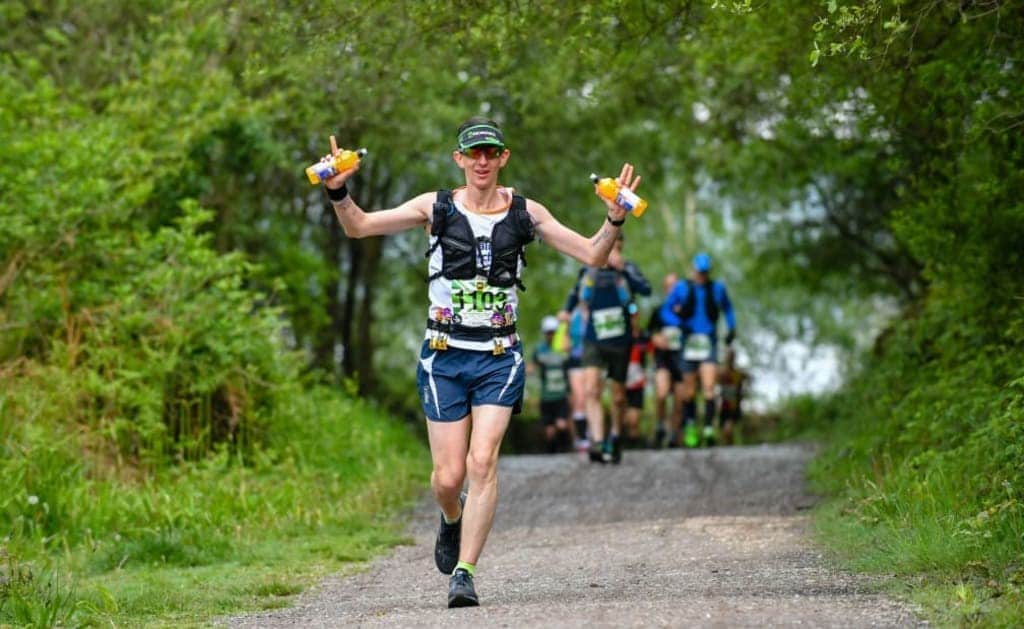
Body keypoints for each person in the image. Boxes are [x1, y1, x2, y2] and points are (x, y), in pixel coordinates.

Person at [318, 116, 642, 608]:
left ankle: (465, 573)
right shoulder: (436, 207)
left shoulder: (527, 213)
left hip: (498, 355)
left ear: (504, 157)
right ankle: (452, 516)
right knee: (448, 479)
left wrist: (614, 217)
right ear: (460, 160)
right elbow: (360, 227)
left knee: (482, 461)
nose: (483, 162)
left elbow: (594, 255)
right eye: (475, 154)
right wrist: (339, 193)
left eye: (491, 153)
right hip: (444, 357)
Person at [563, 233, 651, 464]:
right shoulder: (588, 270)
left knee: (619, 396)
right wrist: (565, 313)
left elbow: (646, 290)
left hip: (620, 341)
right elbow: (574, 295)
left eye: (617, 248)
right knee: (592, 389)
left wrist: (624, 270)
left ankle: (615, 436)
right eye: (609, 247)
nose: (612, 252)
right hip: (593, 338)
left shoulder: (627, 270)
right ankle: (598, 441)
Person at [665, 252, 736, 448]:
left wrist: (731, 328)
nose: (702, 276)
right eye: (699, 272)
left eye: (705, 273)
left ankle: (708, 428)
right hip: (688, 342)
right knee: (688, 390)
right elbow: (666, 310)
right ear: (694, 270)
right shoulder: (682, 288)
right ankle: (690, 427)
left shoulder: (717, 289)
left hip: (708, 342)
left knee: (709, 386)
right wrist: (679, 323)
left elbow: (728, 309)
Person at [647, 273, 686, 447]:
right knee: (662, 392)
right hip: (663, 358)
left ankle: (673, 433)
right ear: (665, 289)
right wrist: (655, 338)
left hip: (682, 359)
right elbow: (648, 332)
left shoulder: (687, 311)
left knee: (679, 399)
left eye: (675, 286)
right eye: (669, 286)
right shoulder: (659, 310)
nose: (672, 290)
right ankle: (660, 425)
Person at [531, 315, 572, 453]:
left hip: (561, 394)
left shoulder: (564, 348)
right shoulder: (539, 350)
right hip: (546, 396)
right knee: (549, 430)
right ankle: (551, 452)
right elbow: (531, 366)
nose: (551, 335)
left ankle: (565, 448)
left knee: (562, 425)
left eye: (553, 332)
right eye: (548, 332)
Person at [623, 305, 652, 448]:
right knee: (624, 416)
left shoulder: (644, 336)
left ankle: (634, 444)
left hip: (637, 381)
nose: (632, 319)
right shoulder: (621, 336)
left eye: (634, 315)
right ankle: (625, 441)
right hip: (622, 380)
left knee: (635, 417)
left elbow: (652, 353)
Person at [717, 345, 748, 445]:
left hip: (733, 403)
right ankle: (728, 443)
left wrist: (743, 392)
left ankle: (729, 444)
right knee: (727, 424)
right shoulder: (722, 373)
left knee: (729, 424)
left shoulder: (738, 373)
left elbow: (746, 381)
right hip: (725, 403)